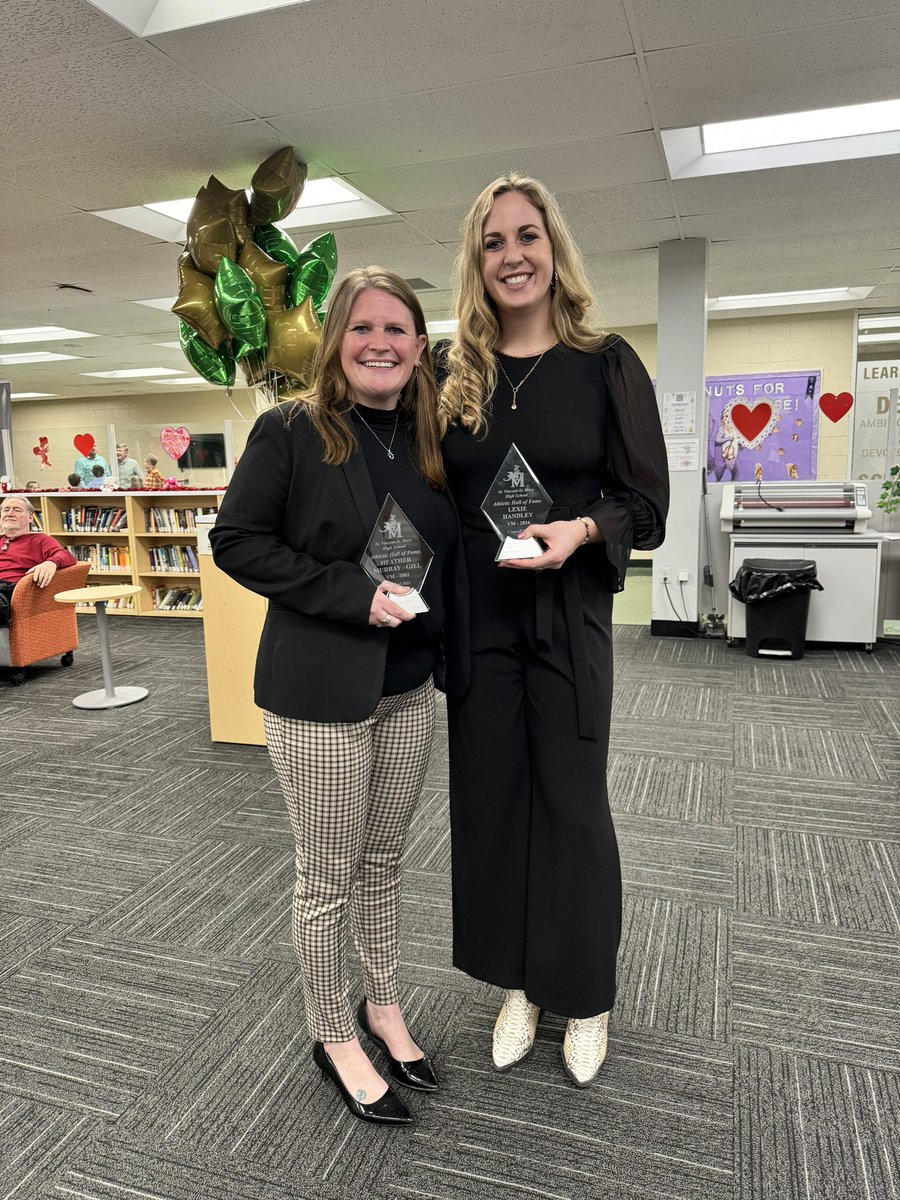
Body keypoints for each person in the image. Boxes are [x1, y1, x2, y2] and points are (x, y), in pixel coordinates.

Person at [211, 267, 468, 1127]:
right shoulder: (290, 431)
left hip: (408, 687)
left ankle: (382, 1003)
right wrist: (348, 594)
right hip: (320, 691)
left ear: (419, 345)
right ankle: (331, 1031)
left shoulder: (431, 438)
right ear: (335, 341)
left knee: (385, 863)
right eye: (362, 328)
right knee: (326, 876)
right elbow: (237, 542)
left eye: (397, 329)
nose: (380, 343)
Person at [439, 174, 669, 1088]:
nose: (513, 255)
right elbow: (428, 494)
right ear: (477, 261)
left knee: (572, 804)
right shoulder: (455, 374)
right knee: (493, 803)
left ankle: (584, 992)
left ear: (554, 248)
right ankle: (519, 985)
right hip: (480, 619)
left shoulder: (605, 362)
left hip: (568, 617)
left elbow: (645, 503)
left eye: (527, 235)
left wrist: (579, 530)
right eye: (494, 242)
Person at [0, 495, 77, 626]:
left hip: (16, 590)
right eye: (6, 510)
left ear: (30, 517)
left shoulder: (40, 540)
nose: (10, 513)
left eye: (17, 510)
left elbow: (66, 556)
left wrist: (50, 563)